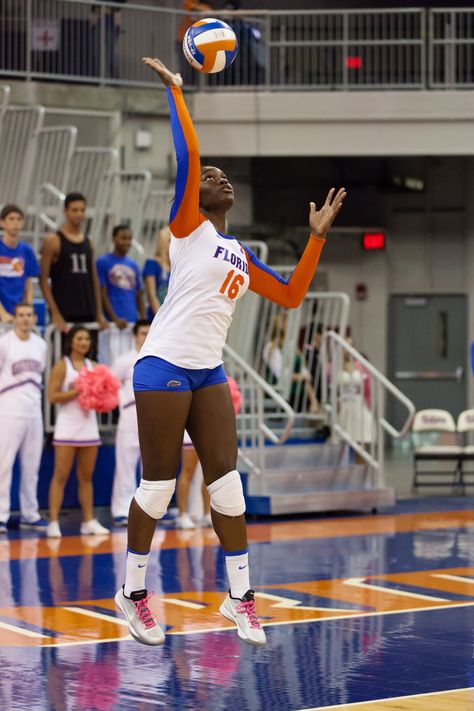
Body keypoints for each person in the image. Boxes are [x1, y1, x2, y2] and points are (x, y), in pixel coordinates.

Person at [114, 57, 346, 648]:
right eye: (213, 176)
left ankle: (240, 598)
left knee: (228, 486)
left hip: (208, 369)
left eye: (225, 178)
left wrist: (316, 239)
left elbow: (292, 296)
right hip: (163, 362)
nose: (221, 179)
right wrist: (176, 95)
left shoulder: (238, 253)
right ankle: (133, 592)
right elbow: (189, 159)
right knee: (159, 487)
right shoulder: (187, 227)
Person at [47, 325, 109, 538]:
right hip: (66, 428)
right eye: (79, 338)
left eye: (87, 339)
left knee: (86, 477)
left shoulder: (94, 366)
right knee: (60, 475)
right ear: (71, 341)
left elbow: (101, 398)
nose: (84, 342)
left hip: (88, 427)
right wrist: (77, 391)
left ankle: (88, 521)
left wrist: (101, 396)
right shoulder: (62, 366)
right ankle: (53, 522)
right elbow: (52, 397)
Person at [0, 303, 47, 533]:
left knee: (32, 465)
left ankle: (30, 513)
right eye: (21, 315)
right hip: (8, 410)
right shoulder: (4, 342)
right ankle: (1, 514)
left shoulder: (41, 344)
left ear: (35, 317)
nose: (25, 319)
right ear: (14, 318)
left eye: (29, 315)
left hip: (33, 411)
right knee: (3, 465)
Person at [40, 192, 107, 333]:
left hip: (88, 311)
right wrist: (55, 313)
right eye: (74, 210)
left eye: (82, 210)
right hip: (65, 312)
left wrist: (99, 312)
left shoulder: (88, 241)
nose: (79, 214)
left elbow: (94, 279)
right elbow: (43, 280)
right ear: (65, 211)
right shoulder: (53, 240)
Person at [110, 319, 150, 526]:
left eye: (150, 332)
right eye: (143, 333)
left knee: (151, 467)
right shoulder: (123, 360)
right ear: (135, 335)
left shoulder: (158, 360)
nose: (146, 336)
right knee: (125, 464)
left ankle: (150, 509)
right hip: (129, 416)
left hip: (153, 418)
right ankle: (122, 510)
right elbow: (110, 385)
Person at [96, 224, 145, 362]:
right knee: (110, 363)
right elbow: (102, 292)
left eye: (129, 238)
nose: (127, 242)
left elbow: (139, 294)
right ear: (113, 239)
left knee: (131, 363)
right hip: (112, 325)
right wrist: (114, 318)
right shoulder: (102, 262)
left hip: (131, 323)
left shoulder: (134, 265)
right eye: (123, 238)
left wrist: (142, 319)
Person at [263, 313, 319, 412]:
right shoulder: (271, 347)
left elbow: (303, 370)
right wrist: (301, 376)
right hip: (279, 394)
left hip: (298, 394)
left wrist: (313, 400)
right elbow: (280, 374)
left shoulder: (291, 345)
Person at [0, 205, 39, 324]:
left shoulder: (27, 250)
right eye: (11, 219)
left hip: (18, 314)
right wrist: (2, 313)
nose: (15, 223)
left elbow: (28, 284)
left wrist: (28, 311)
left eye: (18, 219)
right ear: (2, 223)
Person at [176, 431, 211, 530]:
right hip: (191, 431)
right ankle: (182, 514)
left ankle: (207, 513)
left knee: (209, 472)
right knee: (187, 471)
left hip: (208, 430)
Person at [143, 227, 171, 319]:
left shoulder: (177, 267)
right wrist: (161, 319)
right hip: (157, 318)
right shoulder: (152, 264)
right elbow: (151, 295)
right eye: (169, 241)